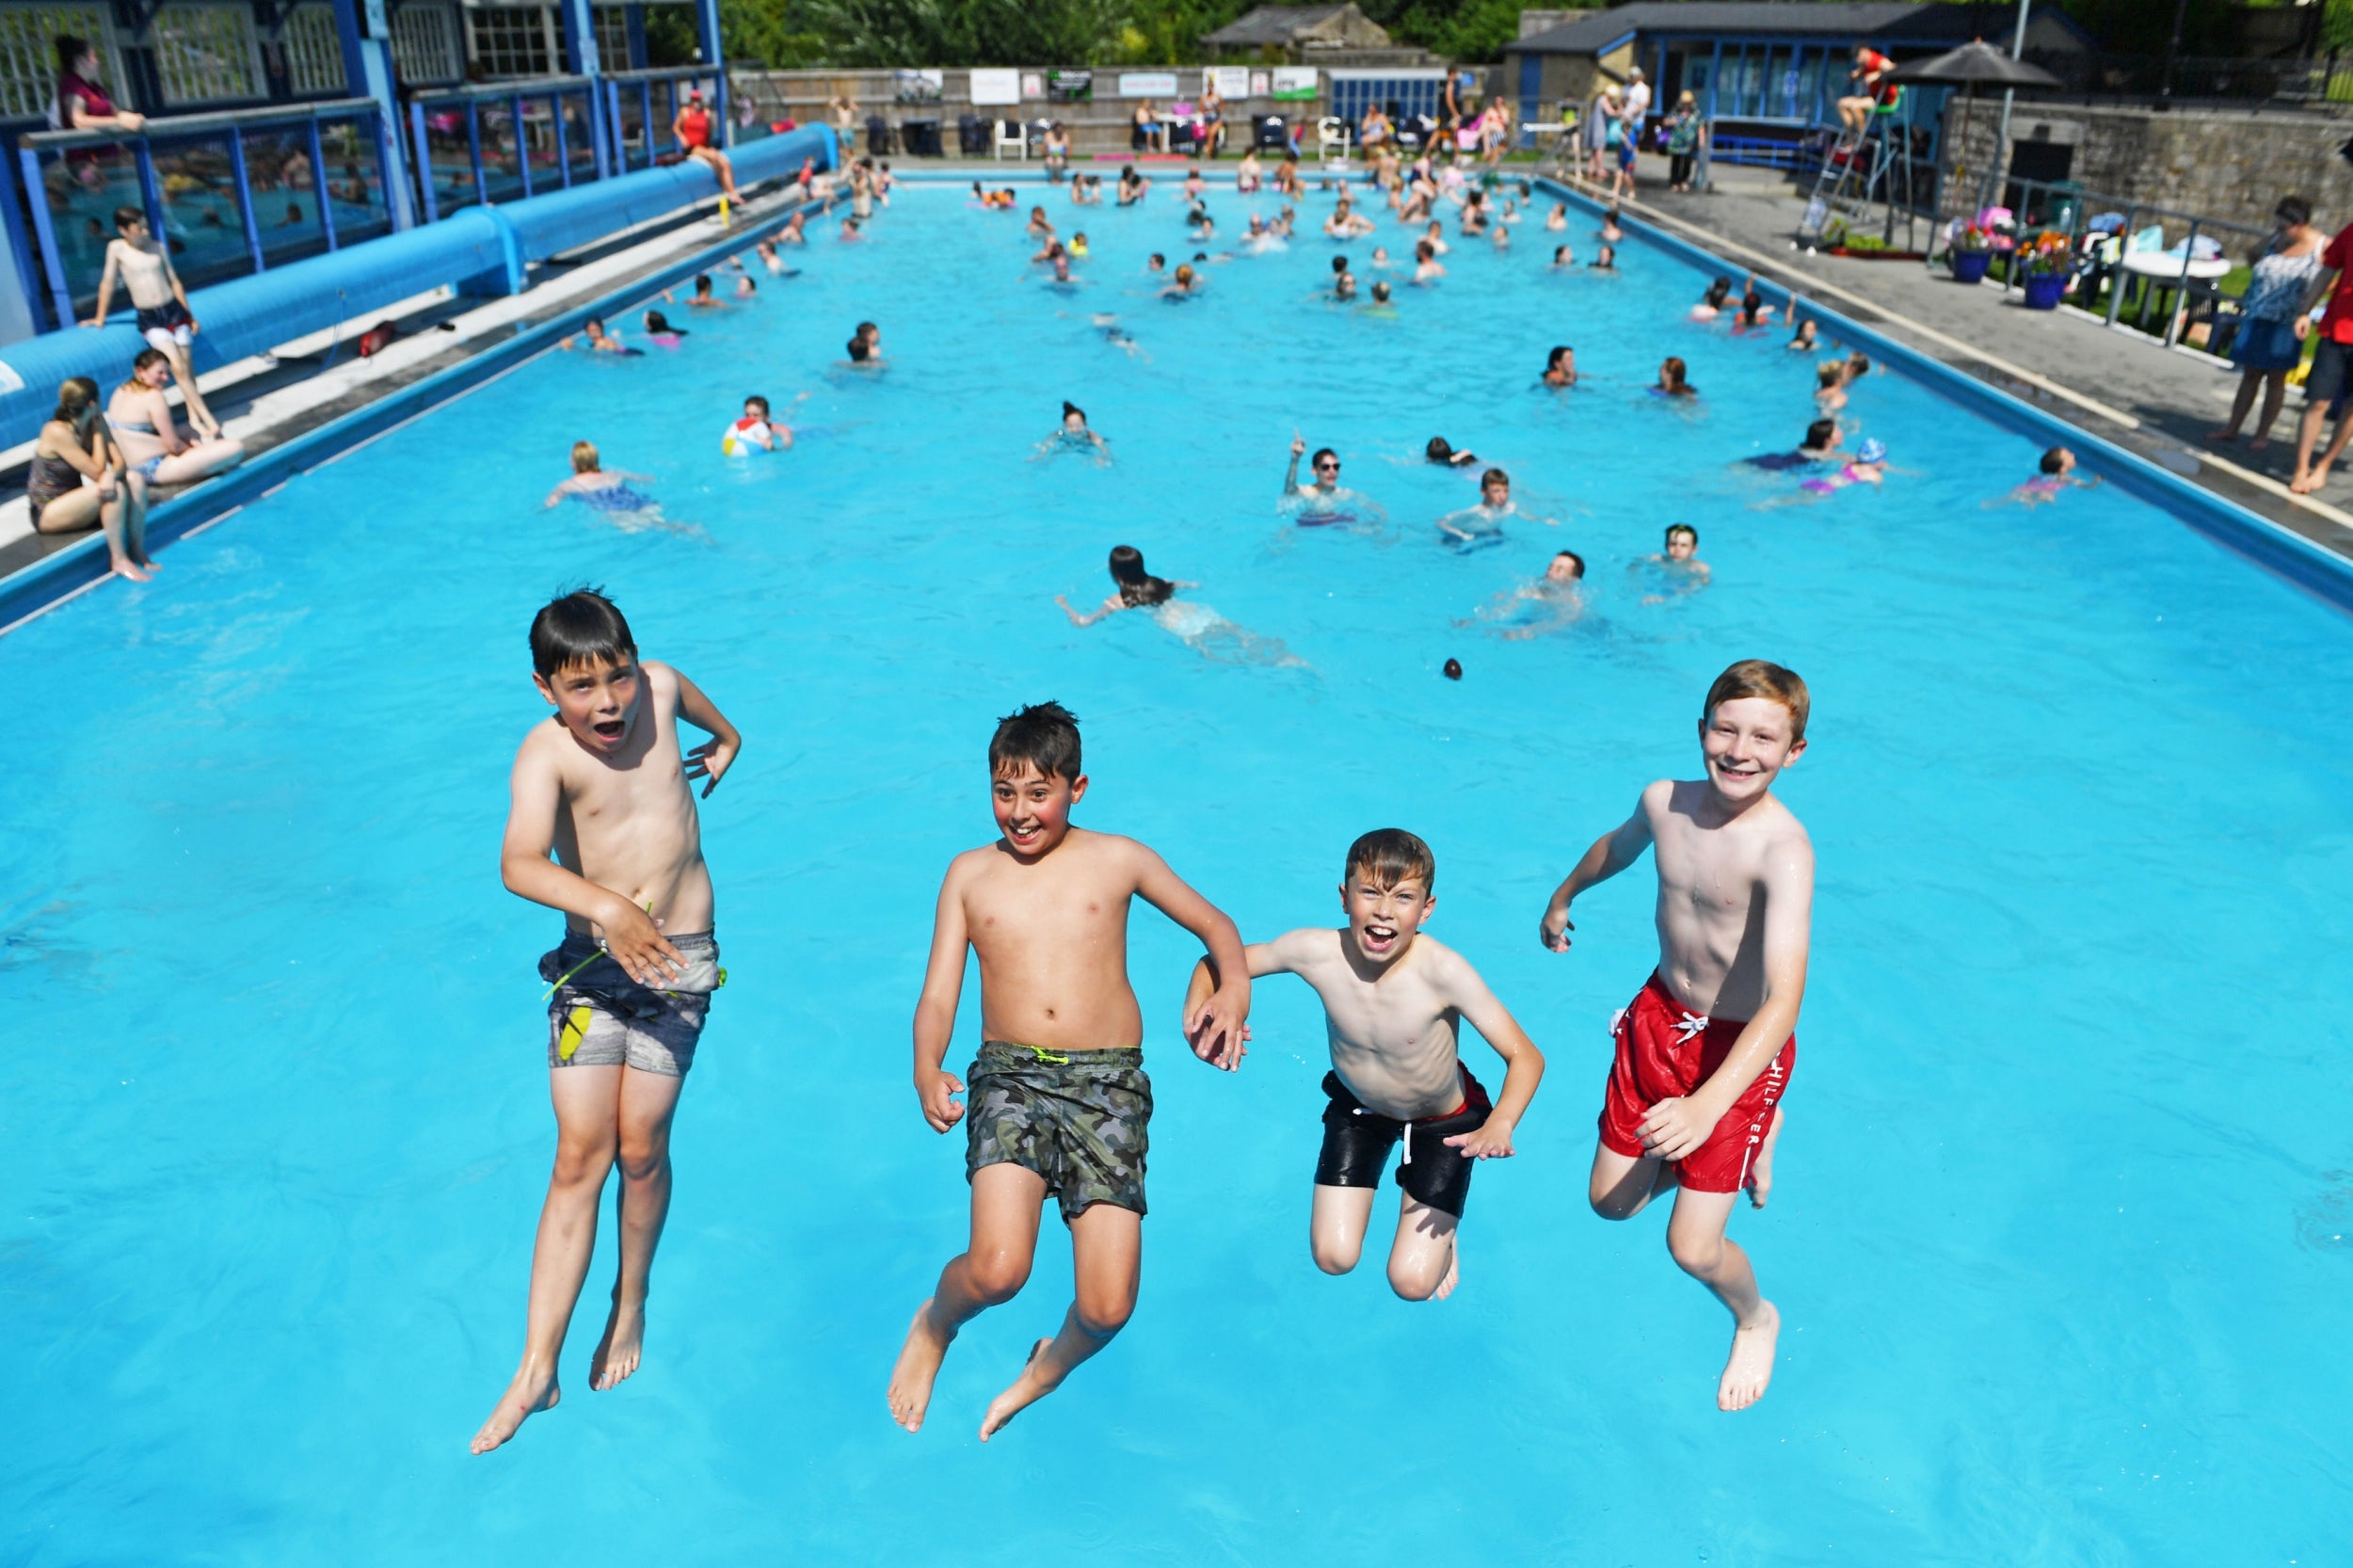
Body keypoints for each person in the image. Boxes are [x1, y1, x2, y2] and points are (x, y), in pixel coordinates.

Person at [885, 702, 1248, 1440]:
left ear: (1076, 788)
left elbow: (1217, 929)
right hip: (1009, 1077)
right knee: (997, 1269)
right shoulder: (969, 874)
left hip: (1107, 1086)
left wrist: (1233, 994)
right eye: (1003, 791)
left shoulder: (1119, 860)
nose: (1019, 812)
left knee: (1109, 1307)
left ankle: (1044, 1370)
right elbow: (938, 993)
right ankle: (935, 1325)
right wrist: (926, 1066)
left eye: (1037, 793)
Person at [469, 590, 742, 1455]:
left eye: (617, 675)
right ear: (545, 688)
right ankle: (535, 1368)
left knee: (640, 1148)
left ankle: (631, 1301)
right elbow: (518, 862)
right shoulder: (545, 755)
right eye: (582, 687)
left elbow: (713, 717)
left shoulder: (661, 690)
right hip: (591, 971)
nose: (610, 702)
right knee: (579, 1153)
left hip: (677, 964)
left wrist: (728, 745)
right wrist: (605, 910)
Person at [1539, 659, 1814, 1412]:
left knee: (1690, 1247)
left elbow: (1784, 1002)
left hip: (1740, 1050)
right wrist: (1564, 896)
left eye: (1764, 737)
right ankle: (1750, 1132)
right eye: (1726, 729)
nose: (1740, 749)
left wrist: (1707, 1108)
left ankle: (1757, 1317)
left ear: (1793, 753)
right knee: (1610, 1204)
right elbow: (1617, 847)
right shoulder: (1666, 803)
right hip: (1661, 1021)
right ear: (1701, 731)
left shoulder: (1782, 850)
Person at [1182, 829, 1543, 1301]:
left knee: (1411, 1284)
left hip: (1443, 1123)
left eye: (1403, 898)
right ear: (1344, 897)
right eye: (1369, 892)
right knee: (1334, 1258)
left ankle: (1445, 1237)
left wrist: (1501, 1123)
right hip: (1361, 1109)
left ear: (1427, 909)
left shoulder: (1444, 972)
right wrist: (1204, 1018)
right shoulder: (1315, 952)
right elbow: (1215, 963)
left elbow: (1526, 1056)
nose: (1384, 911)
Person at [81, 207, 223, 440]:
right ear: (123, 230)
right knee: (175, 366)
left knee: (187, 367)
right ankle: (208, 419)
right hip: (150, 317)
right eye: (139, 228)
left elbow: (174, 281)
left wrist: (190, 315)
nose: (146, 231)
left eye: (146, 226)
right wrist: (100, 317)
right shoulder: (117, 249)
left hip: (174, 312)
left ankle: (193, 417)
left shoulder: (158, 248)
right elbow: (107, 282)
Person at [2208, 197, 2326, 452]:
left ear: (2301, 223)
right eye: (2279, 225)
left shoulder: (2320, 246)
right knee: (2250, 374)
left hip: (2286, 322)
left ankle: (2262, 433)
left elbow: (2330, 278)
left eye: (2286, 226)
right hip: (2258, 314)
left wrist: (2307, 308)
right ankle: (2232, 427)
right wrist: (2273, 236)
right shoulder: (2277, 240)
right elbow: (2252, 257)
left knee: (2275, 378)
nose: (2281, 230)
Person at [27, 375, 151, 581]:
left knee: (135, 480)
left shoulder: (95, 421)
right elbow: (96, 471)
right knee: (114, 491)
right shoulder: (56, 431)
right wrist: (98, 433)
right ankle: (119, 559)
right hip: (48, 512)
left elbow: (120, 462)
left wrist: (112, 474)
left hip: (77, 503)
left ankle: (136, 548)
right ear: (93, 404)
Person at [106, 347, 243, 485]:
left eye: (167, 373)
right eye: (160, 373)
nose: (165, 378)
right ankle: (205, 465)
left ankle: (203, 462)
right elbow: (174, 446)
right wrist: (194, 450)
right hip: (154, 469)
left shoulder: (120, 390)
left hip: (131, 467)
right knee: (234, 448)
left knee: (189, 430)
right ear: (141, 371)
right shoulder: (154, 397)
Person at [1460, 551, 1586, 638]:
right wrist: (1477, 622)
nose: (1550, 572)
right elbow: (1506, 602)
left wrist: (1527, 632)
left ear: (1573, 580)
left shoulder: (1573, 604)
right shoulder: (1534, 589)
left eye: (1559, 569)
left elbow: (1558, 625)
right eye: (1550, 567)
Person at [673, 89, 738, 204]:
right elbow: (676, 127)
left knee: (723, 162)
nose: (696, 102)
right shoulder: (685, 112)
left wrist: (710, 145)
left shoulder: (705, 113)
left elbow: (709, 132)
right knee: (715, 157)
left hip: (703, 146)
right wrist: (682, 137)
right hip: (693, 148)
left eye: (698, 100)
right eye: (694, 100)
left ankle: (731, 190)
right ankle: (731, 192)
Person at [1438, 467, 1523, 547]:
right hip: (1461, 537)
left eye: (1506, 491)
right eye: (1496, 491)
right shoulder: (1477, 513)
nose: (1502, 496)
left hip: (1488, 533)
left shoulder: (1508, 507)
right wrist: (1462, 535)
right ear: (1483, 492)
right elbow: (1441, 522)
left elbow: (1513, 510)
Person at [2004, 445, 2102, 506]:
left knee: (2005, 501)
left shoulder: (2039, 477)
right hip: (2044, 492)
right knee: (2048, 500)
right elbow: (2087, 487)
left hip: (2027, 487)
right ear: (2062, 469)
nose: (2072, 455)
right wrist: (2097, 481)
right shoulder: (2068, 479)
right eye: (2069, 456)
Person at [1791, 436, 1886, 498]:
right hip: (1827, 490)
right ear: (1877, 460)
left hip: (1816, 482)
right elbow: (1876, 492)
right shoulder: (1875, 475)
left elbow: (1841, 470)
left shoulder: (1848, 464)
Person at [1837, 43, 1897, 136]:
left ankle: (1862, 140)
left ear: (1865, 51)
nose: (1856, 59)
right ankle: (1850, 138)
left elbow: (1893, 69)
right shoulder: (1864, 66)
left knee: (1855, 106)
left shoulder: (1879, 60)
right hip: (1872, 97)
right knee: (1842, 103)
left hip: (1884, 99)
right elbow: (1860, 74)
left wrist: (1877, 75)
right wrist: (1854, 76)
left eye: (1857, 55)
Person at [1640, 523, 1710, 601]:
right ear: (1666, 546)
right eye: (1673, 544)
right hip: (1663, 583)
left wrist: (1668, 597)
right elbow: (1634, 564)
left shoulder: (1700, 568)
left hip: (1684, 588)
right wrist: (1635, 581)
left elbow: (1702, 587)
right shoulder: (1659, 559)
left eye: (1684, 545)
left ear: (1694, 549)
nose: (1677, 549)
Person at [1034, 400, 1110, 463]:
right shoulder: (1061, 432)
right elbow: (1050, 440)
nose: (1074, 430)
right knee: (1054, 454)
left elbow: (1102, 447)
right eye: (1070, 426)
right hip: (1068, 444)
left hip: (1086, 446)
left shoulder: (1089, 434)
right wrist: (1042, 453)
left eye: (1078, 426)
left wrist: (1102, 457)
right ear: (1064, 426)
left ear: (1085, 425)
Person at [722, 393, 790, 454]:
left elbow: (785, 450)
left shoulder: (780, 430)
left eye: (756, 415)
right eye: (747, 415)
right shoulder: (738, 427)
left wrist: (772, 448)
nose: (751, 419)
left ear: (767, 417)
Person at [1665, 92, 1702, 191]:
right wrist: (1672, 121)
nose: (1686, 105)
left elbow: (1700, 125)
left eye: (1688, 103)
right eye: (1684, 103)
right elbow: (1666, 121)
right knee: (1676, 162)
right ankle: (1674, 182)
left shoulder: (1695, 113)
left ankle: (1684, 180)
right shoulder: (1675, 112)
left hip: (1689, 142)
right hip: (1677, 141)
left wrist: (1702, 138)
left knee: (1687, 162)